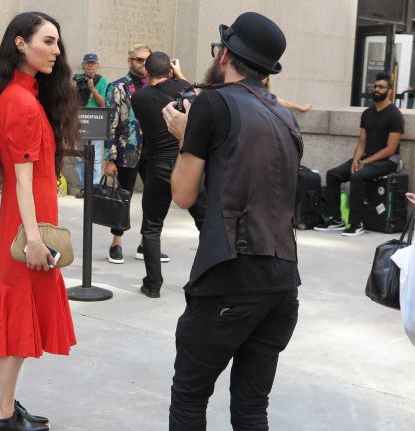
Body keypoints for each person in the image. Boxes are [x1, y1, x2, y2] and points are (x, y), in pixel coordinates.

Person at [162, 12, 301, 429]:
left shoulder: (213, 103)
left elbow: (183, 195)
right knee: (251, 407)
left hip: (231, 278)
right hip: (282, 281)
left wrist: (185, 138)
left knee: (189, 398)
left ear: (225, 54)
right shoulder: (284, 115)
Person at [0, 12, 78, 431]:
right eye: (48, 41)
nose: (56, 51)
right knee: (18, 315)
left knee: (21, 313)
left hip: (28, 223)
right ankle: (1, 413)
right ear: (20, 43)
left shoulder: (25, 95)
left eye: (57, 43)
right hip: (25, 228)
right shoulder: (19, 101)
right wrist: (34, 240)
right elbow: (20, 181)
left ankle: (5, 405)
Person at [130, 52, 205, 298]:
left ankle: (153, 285)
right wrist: (180, 74)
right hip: (185, 164)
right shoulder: (182, 88)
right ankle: (201, 280)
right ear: (171, 71)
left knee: (152, 227)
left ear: (145, 73)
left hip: (158, 166)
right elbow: (198, 92)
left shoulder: (138, 98)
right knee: (206, 224)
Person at [314, 72, 403, 237]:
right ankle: (335, 219)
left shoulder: (394, 115)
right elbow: (361, 142)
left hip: (387, 161)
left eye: (381, 87)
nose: (377, 89)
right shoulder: (367, 113)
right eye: (375, 86)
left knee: (357, 177)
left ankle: (356, 224)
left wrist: (364, 163)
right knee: (333, 174)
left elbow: (390, 149)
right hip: (366, 159)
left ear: (389, 91)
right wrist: (356, 161)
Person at [104, 43, 153, 264]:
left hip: (154, 152)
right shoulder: (118, 87)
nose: (143, 64)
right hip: (127, 152)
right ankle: (117, 242)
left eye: (146, 60)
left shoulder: (157, 87)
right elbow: (110, 124)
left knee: (154, 199)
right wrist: (110, 157)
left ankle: (146, 244)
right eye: (139, 60)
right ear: (129, 61)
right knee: (123, 197)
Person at [72, 53, 107, 198]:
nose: (90, 66)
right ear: (83, 65)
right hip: (78, 121)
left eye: (93, 63)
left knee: (96, 157)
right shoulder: (76, 79)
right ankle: (83, 188)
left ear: (97, 65)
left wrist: (92, 89)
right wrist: (71, 89)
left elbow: (103, 103)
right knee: (79, 156)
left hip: (96, 122)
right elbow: (69, 103)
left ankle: (94, 188)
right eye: (88, 63)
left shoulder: (102, 81)